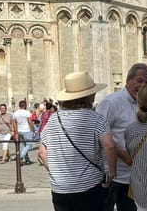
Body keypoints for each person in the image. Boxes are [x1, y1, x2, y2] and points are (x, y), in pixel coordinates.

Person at [40, 72, 117, 211]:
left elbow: (42, 152)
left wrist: (56, 172)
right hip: (90, 187)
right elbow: (109, 146)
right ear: (90, 96)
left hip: (60, 189)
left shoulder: (53, 120)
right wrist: (112, 171)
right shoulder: (96, 119)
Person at [97, 63, 147, 211]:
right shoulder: (111, 102)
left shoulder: (144, 105)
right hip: (111, 174)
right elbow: (99, 134)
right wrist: (124, 155)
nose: (142, 86)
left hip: (134, 177)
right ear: (128, 80)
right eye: (139, 81)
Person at [12, 100, 35, 165]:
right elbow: (30, 122)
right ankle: (20, 156)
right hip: (27, 130)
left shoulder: (15, 113)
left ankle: (26, 159)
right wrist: (33, 130)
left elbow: (14, 123)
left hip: (19, 130)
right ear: (25, 105)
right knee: (29, 145)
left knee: (24, 145)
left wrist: (16, 132)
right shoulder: (27, 112)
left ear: (19, 106)